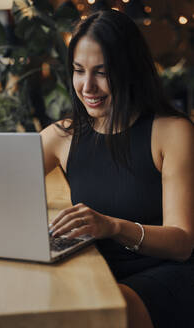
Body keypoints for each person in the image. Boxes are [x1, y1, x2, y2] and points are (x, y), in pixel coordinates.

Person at [40, 9, 194, 328]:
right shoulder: (61, 136)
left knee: (98, 308)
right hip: (95, 270)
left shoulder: (172, 132)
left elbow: (182, 243)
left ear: (130, 71)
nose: (87, 86)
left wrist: (112, 226)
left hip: (165, 274)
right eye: (79, 70)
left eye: (102, 72)